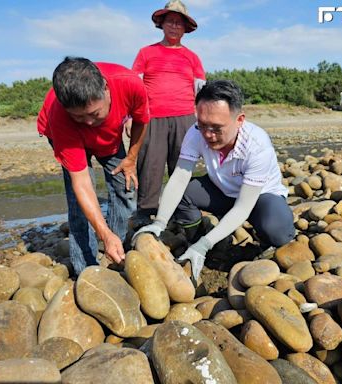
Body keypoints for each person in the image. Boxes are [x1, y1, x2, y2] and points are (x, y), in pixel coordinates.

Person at [132, 80, 295, 281]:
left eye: (217, 128)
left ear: (240, 120)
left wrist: (204, 246)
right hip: (221, 192)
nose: (208, 134)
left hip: (259, 198)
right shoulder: (195, 132)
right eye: (202, 125)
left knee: (278, 233)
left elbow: (243, 207)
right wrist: (160, 222)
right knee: (183, 193)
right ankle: (199, 237)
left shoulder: (258, 146)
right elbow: (180, 176)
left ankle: (223, 243)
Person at [37, 57, 149, 274]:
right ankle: (87, 270)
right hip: (68, 136)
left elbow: (141, 120)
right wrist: (103, 233)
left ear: (106, 89)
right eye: (79, 116)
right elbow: (82, 183)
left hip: (110, 135)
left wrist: (131, 159)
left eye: (94, 113)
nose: (88, 123)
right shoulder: (59, 115)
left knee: (126, 188)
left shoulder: (130, 83)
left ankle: (117, 250)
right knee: (79, 206)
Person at [132, 0, 206, 224]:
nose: (174, 27)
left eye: (179, 23)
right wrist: (130, 117)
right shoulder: (146, 53)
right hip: (151, 118)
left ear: (185, 29)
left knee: (182, 165)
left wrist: (202, 119)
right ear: (162, 24)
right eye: (170, 22)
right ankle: (146, 211)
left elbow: (201, 90)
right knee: (149, 166)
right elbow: (134, 86)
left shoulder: (192, 57)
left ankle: (182, 208)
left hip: (185, 118)